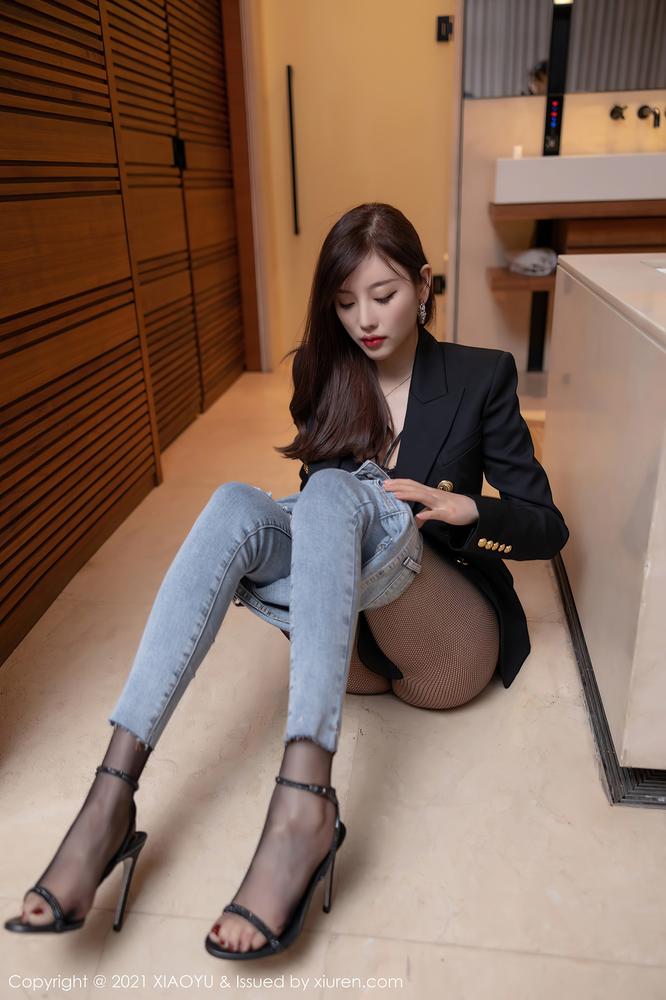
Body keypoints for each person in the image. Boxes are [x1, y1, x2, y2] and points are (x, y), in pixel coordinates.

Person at [5, 202, 569, 959]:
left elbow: (547, 525)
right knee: (237, 504)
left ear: (424, 285)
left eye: (384, 294)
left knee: (336, 489)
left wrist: (468, 509)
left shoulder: (479, 375)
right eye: (344, 302)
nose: (364, 319)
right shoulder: (321, 371)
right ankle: (109, 799)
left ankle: (303, 808)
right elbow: (322, 529)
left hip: (444, 643)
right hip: (351, 656)